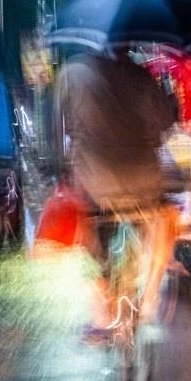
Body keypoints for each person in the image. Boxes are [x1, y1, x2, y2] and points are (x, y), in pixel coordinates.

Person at [56, 49, 179, 334]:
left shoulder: (71, 72)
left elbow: (58, 130)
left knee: (83, 232)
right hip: (143, 182)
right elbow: (165, 125)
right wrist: (169, 99)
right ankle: (150, 294)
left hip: (94, 184)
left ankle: (101, 305)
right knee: (165, 219)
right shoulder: (143, 77)